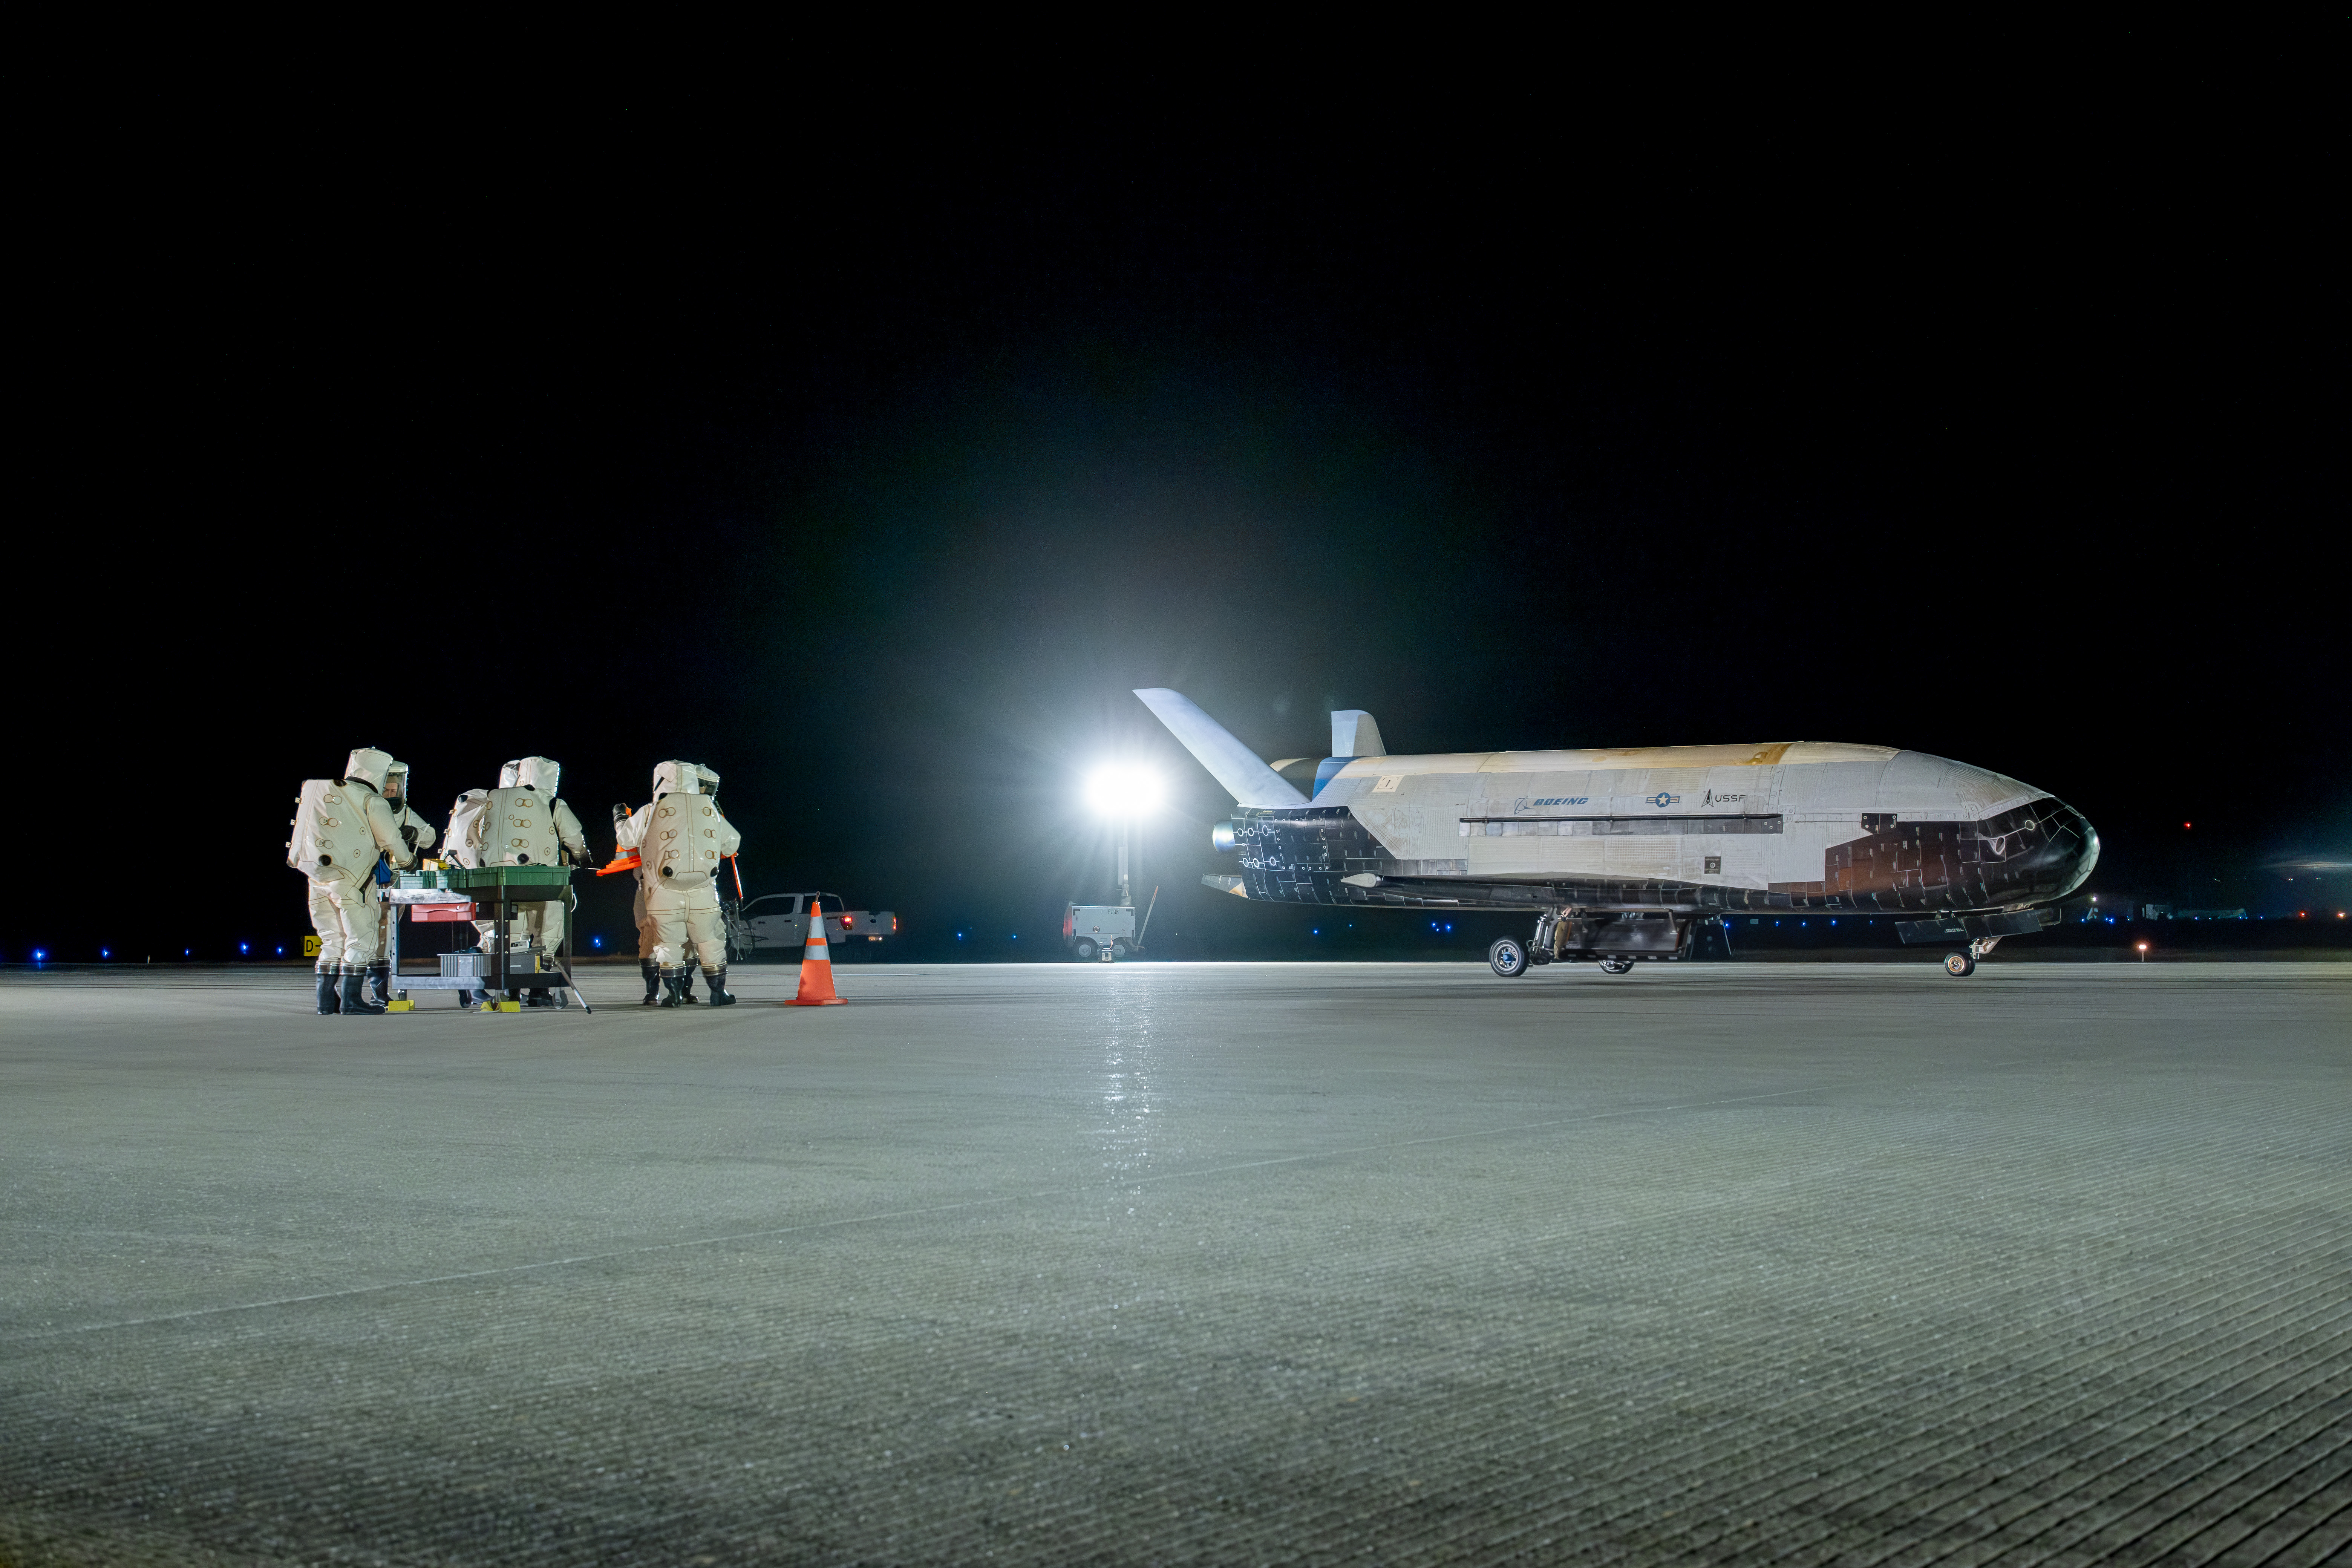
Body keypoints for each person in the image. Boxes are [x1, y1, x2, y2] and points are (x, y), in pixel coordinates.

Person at [288, 748, 417, 1016]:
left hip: (316, 880)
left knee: (331, 940)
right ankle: (351, 1001)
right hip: (352, 883)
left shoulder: (327, 794)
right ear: (380, 773)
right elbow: (391, 839)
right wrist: (408, 862)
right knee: (361, 940)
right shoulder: (372, 800)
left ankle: (326, 1003)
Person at [616, 761, 740, 1006]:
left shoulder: (651, 810)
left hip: (661, 892)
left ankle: (673, 995)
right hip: (703, 891)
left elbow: (626, 839)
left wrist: (620, 817)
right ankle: (718, 993)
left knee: (667, 943)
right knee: (710, 941)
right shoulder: (709, 809)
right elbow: (732, 843)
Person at [364, 760, 439, 1007]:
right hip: (366, 880)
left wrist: (413, 832)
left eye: (394, 790)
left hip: (393, 881)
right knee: (362, 934)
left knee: (387, 935)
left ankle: (378, 990)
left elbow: (430, 836)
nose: (390, 794)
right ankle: (350, 989)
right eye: (386, 789)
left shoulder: (404, 813)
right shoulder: (364, 808)